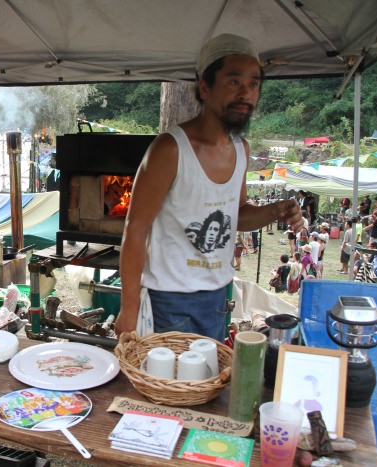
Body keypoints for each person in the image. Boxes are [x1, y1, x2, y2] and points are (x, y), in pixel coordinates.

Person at [114, 34, 303, 342]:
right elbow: (135, 230)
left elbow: (237, 215)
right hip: (169, 301)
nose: (246, 93)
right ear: (204, 87)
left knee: (206, 388)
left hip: (217, 298)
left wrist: (275, 211)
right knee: (170, 389)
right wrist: (129, 310)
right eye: (234, 82)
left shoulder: (241, 149)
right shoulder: (170, 149)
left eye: (254, 84)